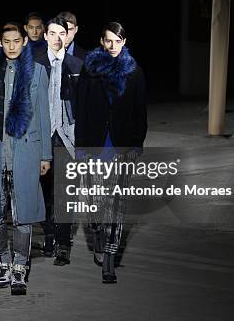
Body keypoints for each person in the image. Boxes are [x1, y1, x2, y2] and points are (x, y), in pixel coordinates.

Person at [0, 21, 52, 295]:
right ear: (1, 44)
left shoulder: (37, 72)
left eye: (17, 41)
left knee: (22, 214)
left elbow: (43, 113)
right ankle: (3, 263)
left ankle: (20, 268)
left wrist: (45, 154)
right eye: (7, 41)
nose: (13, 46)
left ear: (24, 41)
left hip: (25, 151)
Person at [75, 21, 147, 283]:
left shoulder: (134, 72)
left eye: (118, 41)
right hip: (94, 144)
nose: (113, 45)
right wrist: (81, 144)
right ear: (101, 42)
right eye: (109, 40)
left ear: (124, 42)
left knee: (116, 205)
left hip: (121, 146)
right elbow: (80, 107)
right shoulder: (91, 69)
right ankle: (97, 233)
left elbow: (140, 112)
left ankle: (109, 260)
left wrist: (137, 144)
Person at [34, 16, 82, 265]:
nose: (56, 38)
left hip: (67, 136)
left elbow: (84, 105)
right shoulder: (35, 64)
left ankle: (63, 243)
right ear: (45, 36)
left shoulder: (76, 65)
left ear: (67, 36)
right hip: (43, 136)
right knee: (43, 192)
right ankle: (50, 235)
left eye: (61, 33)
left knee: (66, 193)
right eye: (51, 33)